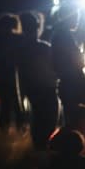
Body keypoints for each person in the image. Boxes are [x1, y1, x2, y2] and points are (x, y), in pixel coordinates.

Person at [18, 11, 59, 150]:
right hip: (45, 89)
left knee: (39, 124)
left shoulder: (22, 49)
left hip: (35, 90)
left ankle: (40, 152)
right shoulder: (42, 47)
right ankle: (44, 153)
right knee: (47, 123)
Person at [50, 3, 85, 126]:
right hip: (72, 82)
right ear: (68, 17)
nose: (77, 20)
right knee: (76, 118)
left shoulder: (60, 34)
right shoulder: (63, 36)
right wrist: (80, 59)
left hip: (68, 81)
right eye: (75, 16)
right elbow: (73, 61)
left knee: (72, 117)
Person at [0, 13, 25, 133]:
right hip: (12, 75)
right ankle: (19, 130)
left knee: (7, 106)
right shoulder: (17, 39)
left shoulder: (1, 40)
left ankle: (5, 130)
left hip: (5, 76)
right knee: (16, 106)